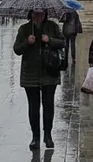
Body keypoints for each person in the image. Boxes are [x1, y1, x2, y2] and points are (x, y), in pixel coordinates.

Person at [12, 9, 65, 150]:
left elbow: (62, 43)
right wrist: (26, 42)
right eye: (35, 14)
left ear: (45, 14)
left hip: (49, 72)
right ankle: (35, 137)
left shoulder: (52, 27)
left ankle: (48, 135)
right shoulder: (24, 29)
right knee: (33, 107)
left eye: (41, 13)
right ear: (30, 14)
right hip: (30, 73)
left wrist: (50, 40)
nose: (38, 16)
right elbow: (17, 49)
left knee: (48, 105)